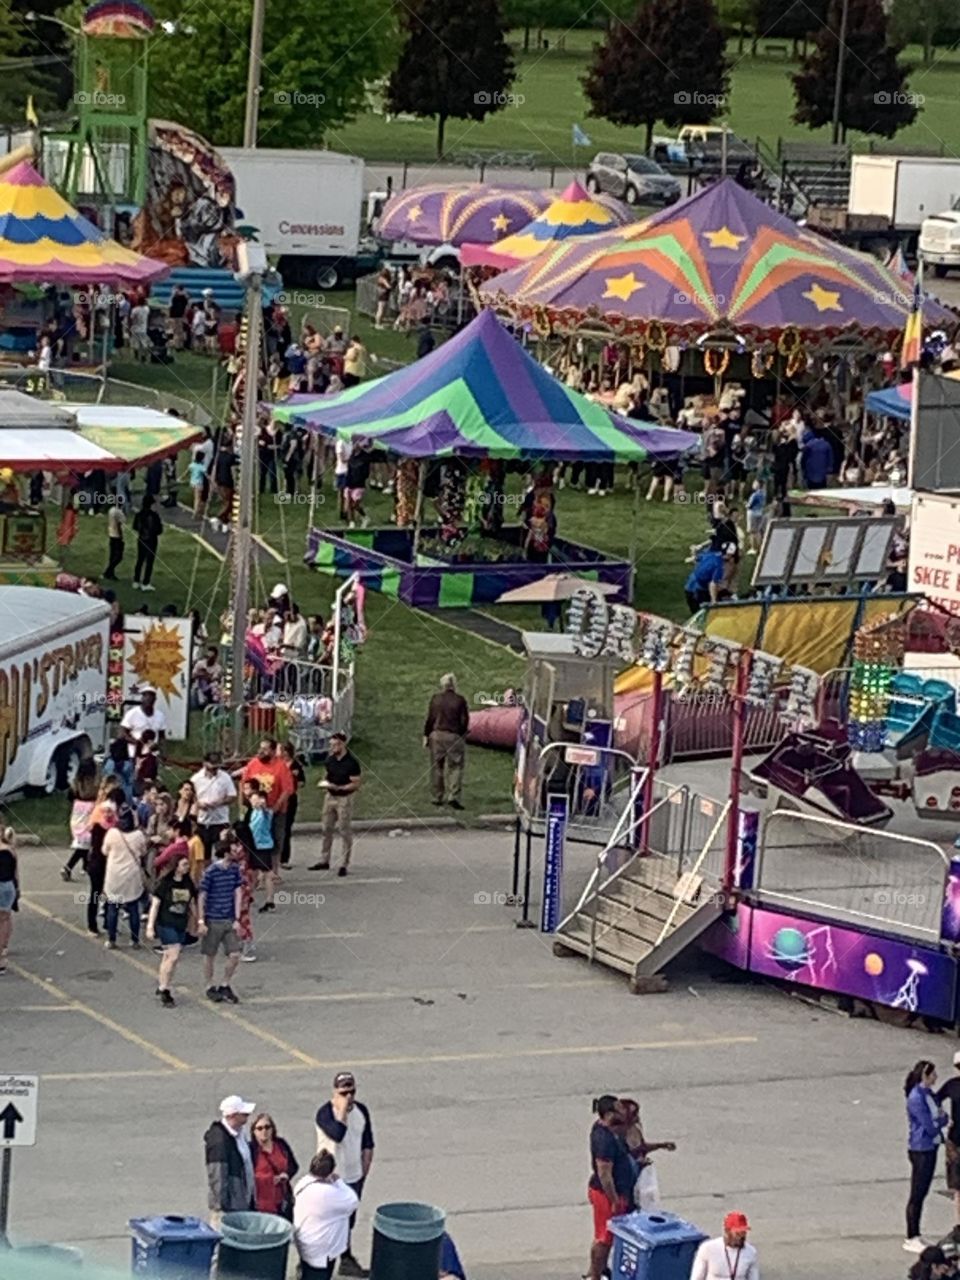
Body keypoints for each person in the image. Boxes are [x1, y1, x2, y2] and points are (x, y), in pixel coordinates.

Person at [315, 1072, 374, 1277]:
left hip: (353, 1176)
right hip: (330, 1178)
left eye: (352, 1092)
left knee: (348, 1220)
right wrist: (341, 1111)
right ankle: (316, 1260)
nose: (348, 1097)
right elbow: (338, 1134)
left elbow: (367, 1142)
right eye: (343, 1092)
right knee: (326, 1221)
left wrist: (363, 1172)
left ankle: (346, 1258)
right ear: (335, 1092)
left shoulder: (361, 1111)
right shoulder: (325, 1113)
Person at [586, 1095, 634, 1280]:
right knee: (604, 1238)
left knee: (608, 1237)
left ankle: (601, 1269)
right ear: (608, 1114)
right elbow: (605, 1174)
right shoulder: (603, 1140)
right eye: (618, 1109)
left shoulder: (609, 1130)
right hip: (606, 1195)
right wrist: (614, 1200)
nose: (622, 1111)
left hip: (616, 1192)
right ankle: (595, 1276)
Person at [293, 1151, 360, 1280]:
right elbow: (353, 1201)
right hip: (322, 1250)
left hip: (306, 1245)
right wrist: (338, 1181)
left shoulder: (303, 1183)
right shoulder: (329, 1193)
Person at [905, 1059, 947, 1252]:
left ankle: (917, 1233)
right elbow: (930, 1124)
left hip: (931, 1146)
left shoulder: (929, 1094)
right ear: (925, 1075)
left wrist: (940, 1119)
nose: (936, 1077)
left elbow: (942, 1115)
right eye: (933, 1074)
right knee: (917, 1193)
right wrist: (939, 1121)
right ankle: (911, 1235)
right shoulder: (916, 1097)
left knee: (922, 1191)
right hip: (921, 1147)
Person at [146, 852, 197, 1007]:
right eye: (184, 864)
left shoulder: (188, 883)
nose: (187, 867)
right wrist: (150, 926)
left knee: (169, 958)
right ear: (176, 867)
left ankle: (162, 982)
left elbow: (192, 904)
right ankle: (164, 989)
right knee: (173, 955)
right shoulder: (165, 884)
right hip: (165, 923)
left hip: (180, 923)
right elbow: (155, 906)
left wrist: (198, 921)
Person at [198, 837, 244, 1003]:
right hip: (213, 918)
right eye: (233, 850)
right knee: (209, 954)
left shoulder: (234, 870)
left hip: (229, 918)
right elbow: (202, 895)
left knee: (235, 954)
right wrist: (201, 920)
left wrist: (237, 918)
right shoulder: (211, 872)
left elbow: (238, 892)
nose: (237, 852)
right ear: (225, 853)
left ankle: (225, 984)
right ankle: (209, 985)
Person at [309, 733, 362, 875]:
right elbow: (327, 774)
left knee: (344, 829)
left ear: (343, 744)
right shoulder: (330, 760)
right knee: (326, 828)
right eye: (331, 745)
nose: (333, 747)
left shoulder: (351, 762)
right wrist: (325, 783)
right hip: (330, 795)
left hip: (344, 797)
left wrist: (340, 788)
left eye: (335, 744)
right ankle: (324, 859)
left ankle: (344, 863)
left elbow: (355, 783)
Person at [205, 1095, 256, 1226]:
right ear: (233, 1115)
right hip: (229, 1209)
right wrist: (222, 1208)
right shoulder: (219, 1141)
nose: (247, 1115)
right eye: (243, 1113)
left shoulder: (240, 1133)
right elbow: (218, 1177)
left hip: (241, 1203)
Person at [102, 804, 147, 950]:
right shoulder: (139, 835)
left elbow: (105, 851)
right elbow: (143, 851)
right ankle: (135, 940)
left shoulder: (112, 833)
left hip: (114, 875)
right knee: (133, 908)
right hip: (132, 876)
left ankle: (111, 939)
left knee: (113, 908)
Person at [423, 674, 469, 810]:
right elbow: (464, 721)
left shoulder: (435, 699)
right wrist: (461, 734)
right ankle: (453, 796)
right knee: (455, 767)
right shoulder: (460, 700)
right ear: (454, 684)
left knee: (437, 766)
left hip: (436, 735)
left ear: (442, 685)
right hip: (453, 735)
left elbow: (430, 718)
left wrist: (426, 735)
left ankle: (437, 796)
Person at [251, 1113, 299, 1219]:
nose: (264, 1131)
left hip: (282, 1199)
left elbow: (293, 1165)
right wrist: (268, 1179)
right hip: (261, 1202)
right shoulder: (251, 1150)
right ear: (254, 1131)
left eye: (267, 1127)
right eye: (259, 1128)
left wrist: (286, 1175)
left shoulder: (281, 1144)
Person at [191, 751, 237, 859]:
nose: (215, 770)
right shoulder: (196, 778)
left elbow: (232, 796)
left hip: (220, 821)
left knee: (221, 853)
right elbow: (191, 796)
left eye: (217, 768)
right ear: (205, 764)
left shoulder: (225, 777)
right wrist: (198, 804)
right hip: (203, 821)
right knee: (203, 855)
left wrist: (219, 802)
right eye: (212, 768)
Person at [689, 1211, 759, 1280]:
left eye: (743, 1233)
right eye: (737, 1234)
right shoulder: (708, 1249)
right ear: (727, 1231)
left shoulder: (751, 1252)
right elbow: (697, 1277)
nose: (741, 1237)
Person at [62, 757, 99, 882]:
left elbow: (70, 797)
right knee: (84, 845)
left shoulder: (75, 783)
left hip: (77, 814)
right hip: (89, 814)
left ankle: (85, 866)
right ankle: (68, 867)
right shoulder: (94, 784)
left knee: (83, 843)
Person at [937, 1051, 960, 1226]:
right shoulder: (952, 1085)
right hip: (955, 1139)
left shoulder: (952, 1085)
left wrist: (942, 1117)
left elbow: (935, 1099)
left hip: (955, 1138)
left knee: (957, 1187)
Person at [280, 741, 305, 869]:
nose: (282, 753)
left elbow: (301, 782)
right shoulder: (277, 764)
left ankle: (284, 857)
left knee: (286, 828)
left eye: (285, 750)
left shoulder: (295, 765)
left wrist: (293, 780)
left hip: (290, 798)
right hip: (278, 797)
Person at [684, 543, 728, 615]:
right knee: (703, 614)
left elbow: (696, 558)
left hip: (689, 586)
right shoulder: (718, 565)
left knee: (695, 613)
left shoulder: (709, 554)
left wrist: (693, 552)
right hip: (699, 591)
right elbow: (713, 583)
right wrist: (714, 601)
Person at [131, 495, 163, 591]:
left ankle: (136, 580)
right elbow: (159, 530)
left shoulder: (139, 514)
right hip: (152, 541)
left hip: (141, 539)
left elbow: (135, 526)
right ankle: (145, 582)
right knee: (149, 562)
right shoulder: (154, 516)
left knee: (139, 560)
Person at [0, 826, 18, 974]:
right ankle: (2, 950)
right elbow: (15, 873)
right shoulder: (10, 850)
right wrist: (18, 890)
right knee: (5, 919)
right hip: (8, 887)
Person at [103, 497, 126, 580]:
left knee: (112, 556)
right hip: (117, 536)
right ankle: (108, 571)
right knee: (119, 556)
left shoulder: (111, 510)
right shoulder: (118, 512)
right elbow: (119, 524)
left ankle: (110, 573)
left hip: (111, 534)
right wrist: (121, 536)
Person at [189, 449, 207, 519]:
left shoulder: (192, 465)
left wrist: (181, 478)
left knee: (195, 498)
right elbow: (206, 475)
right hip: (198, 484)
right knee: (198, 499)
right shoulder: (201, 467)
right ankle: (195, 514)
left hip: (192, 483)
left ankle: (197, 512)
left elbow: (187, 472)